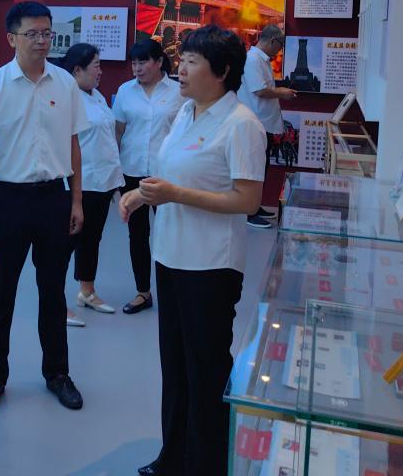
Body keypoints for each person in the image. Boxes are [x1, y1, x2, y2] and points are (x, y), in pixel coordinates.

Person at [119, 25, 266, 476]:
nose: (180, 69)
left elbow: (248, 200)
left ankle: (205, 464)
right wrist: (143, 193)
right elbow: (175, 173)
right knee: (176, 366)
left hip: (210, 266)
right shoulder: (186, 112)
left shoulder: (241, 124)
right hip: (170, 256)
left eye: (192, 62)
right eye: (181, 60)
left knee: (205, 371)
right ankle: (173, 457)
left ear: (221, 71)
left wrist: (175, 195)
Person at [0, 0, 88, 414]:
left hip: (54, 198)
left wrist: (76, 199)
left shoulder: (65, 84)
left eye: (47, 33)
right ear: (11, 38)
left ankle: (57, 373)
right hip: (9, 200)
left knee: (53, 291)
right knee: (1, 291)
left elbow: (74, 144)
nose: (41, 41)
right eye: (32, 33)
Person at [113, 39, 183, 315]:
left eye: (143, 62)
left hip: (165, 175)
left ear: (159, 62)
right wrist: (115, 173)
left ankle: (173, 293)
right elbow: (118, 132)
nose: (137, 68)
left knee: (170, 234)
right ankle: (143, 292)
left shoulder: (178, 92)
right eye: (134, 63)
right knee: (137, 234)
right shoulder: (125, 91)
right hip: (132, 172)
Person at [54, 43, 124, 322]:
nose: (100, 71)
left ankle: (87, 291)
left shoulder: (97, 97)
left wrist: (116, 184)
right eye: (96, 65)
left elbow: (106, 141)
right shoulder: (65, 100)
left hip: (103, 184)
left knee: (92, 240)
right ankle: (55, 302)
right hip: (79, 185)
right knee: (65, 245)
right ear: (77, 70)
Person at [236, 24, 296, 229]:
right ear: (272, 41)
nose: (280, 50)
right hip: (256, 122)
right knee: (253, 169)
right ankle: (248, 211)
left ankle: (254, 206)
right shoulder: (253, 60)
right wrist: (282, 92)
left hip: (263, 123)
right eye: (281, 45)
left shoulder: (260, 59)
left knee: (261, 166)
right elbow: (259, 90)